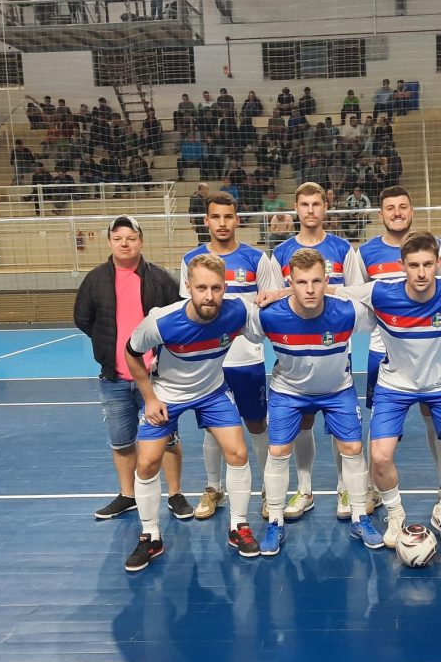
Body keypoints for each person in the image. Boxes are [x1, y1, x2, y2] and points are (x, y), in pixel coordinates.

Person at [331, 232, 441, 548]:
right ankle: (395, 513)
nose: (421, 272)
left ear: (438, 263)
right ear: (402, 266)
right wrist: (281, 292)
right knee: (379, 457)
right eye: (414, 265)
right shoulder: (380, 292)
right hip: (394, 385)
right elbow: (331, 290)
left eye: (427, 264)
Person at [123, 253, 260, 571]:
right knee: (147, 463)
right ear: (188, 287)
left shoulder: (238, 311)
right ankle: (150, 536)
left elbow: (268, 319)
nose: (209, 296)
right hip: (166, 395)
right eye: (201, 288)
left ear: (225, 288)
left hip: (213, 392)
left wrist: (277, 295)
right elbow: (131, 353)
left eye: (216, 288)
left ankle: (238, 526)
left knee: (238, 453)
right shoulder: (161, 321)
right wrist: (150, 398)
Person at [248, 249, 383, 554]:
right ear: (290, 283)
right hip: (288, 391)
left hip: (337, 390)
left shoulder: (347, 312)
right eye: (301, 282)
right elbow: (238, 325)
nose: (310, 289)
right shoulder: (269, 315)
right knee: (277, 451)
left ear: (327, 280)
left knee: (353, 449)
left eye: (316, 281)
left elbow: (379, 306)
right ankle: (275, 522)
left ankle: (360, 517)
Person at [73, 216, 193, 523]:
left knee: (168, 438)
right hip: (113, 379)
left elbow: (178, 316)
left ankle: (175, 494)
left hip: (155, 379)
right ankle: (128, 496)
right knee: (122, 441)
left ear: (141, 241)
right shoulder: (95, 279)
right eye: (118, 238)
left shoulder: (160, 278)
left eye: (130, 238)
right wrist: (108, 345)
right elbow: (82, 318)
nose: (124, 243)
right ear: (110, 242)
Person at [356, 186, 441, 512]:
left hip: (430, 348)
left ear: (412, 210)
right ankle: (374, 488)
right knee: (381, 424)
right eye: (390, 208)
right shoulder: (366, 252)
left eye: (403, 206)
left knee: (435, 418)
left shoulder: (434, 246)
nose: (397, 213)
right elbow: (359, 297)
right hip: (382, 350)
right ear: (381, 214)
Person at [181, 192, 282, 522]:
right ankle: (214, 488)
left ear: (237, 220)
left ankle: (269, 492)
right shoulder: (191, 260)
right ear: (206, 221)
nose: (222, 223)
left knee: (256, 423)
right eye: (216, 217)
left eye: (228, 216)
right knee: (213, 428)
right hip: (209, 362)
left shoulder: (256, 259)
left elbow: (270, 303)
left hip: (247, 360)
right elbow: (188, 311)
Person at [270, 182, 363, 520]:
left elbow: (356, 294)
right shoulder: (280, 253)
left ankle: (344, 489)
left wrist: (328, 294)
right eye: (304, 204)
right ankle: (305, 489)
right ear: (296, 209)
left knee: (341, 429)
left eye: (316, 204)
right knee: (303, 420)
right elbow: (273, 297)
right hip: (295, 348)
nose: (310, 210)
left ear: (326, 207)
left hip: (334, 345)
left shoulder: (343, 249)